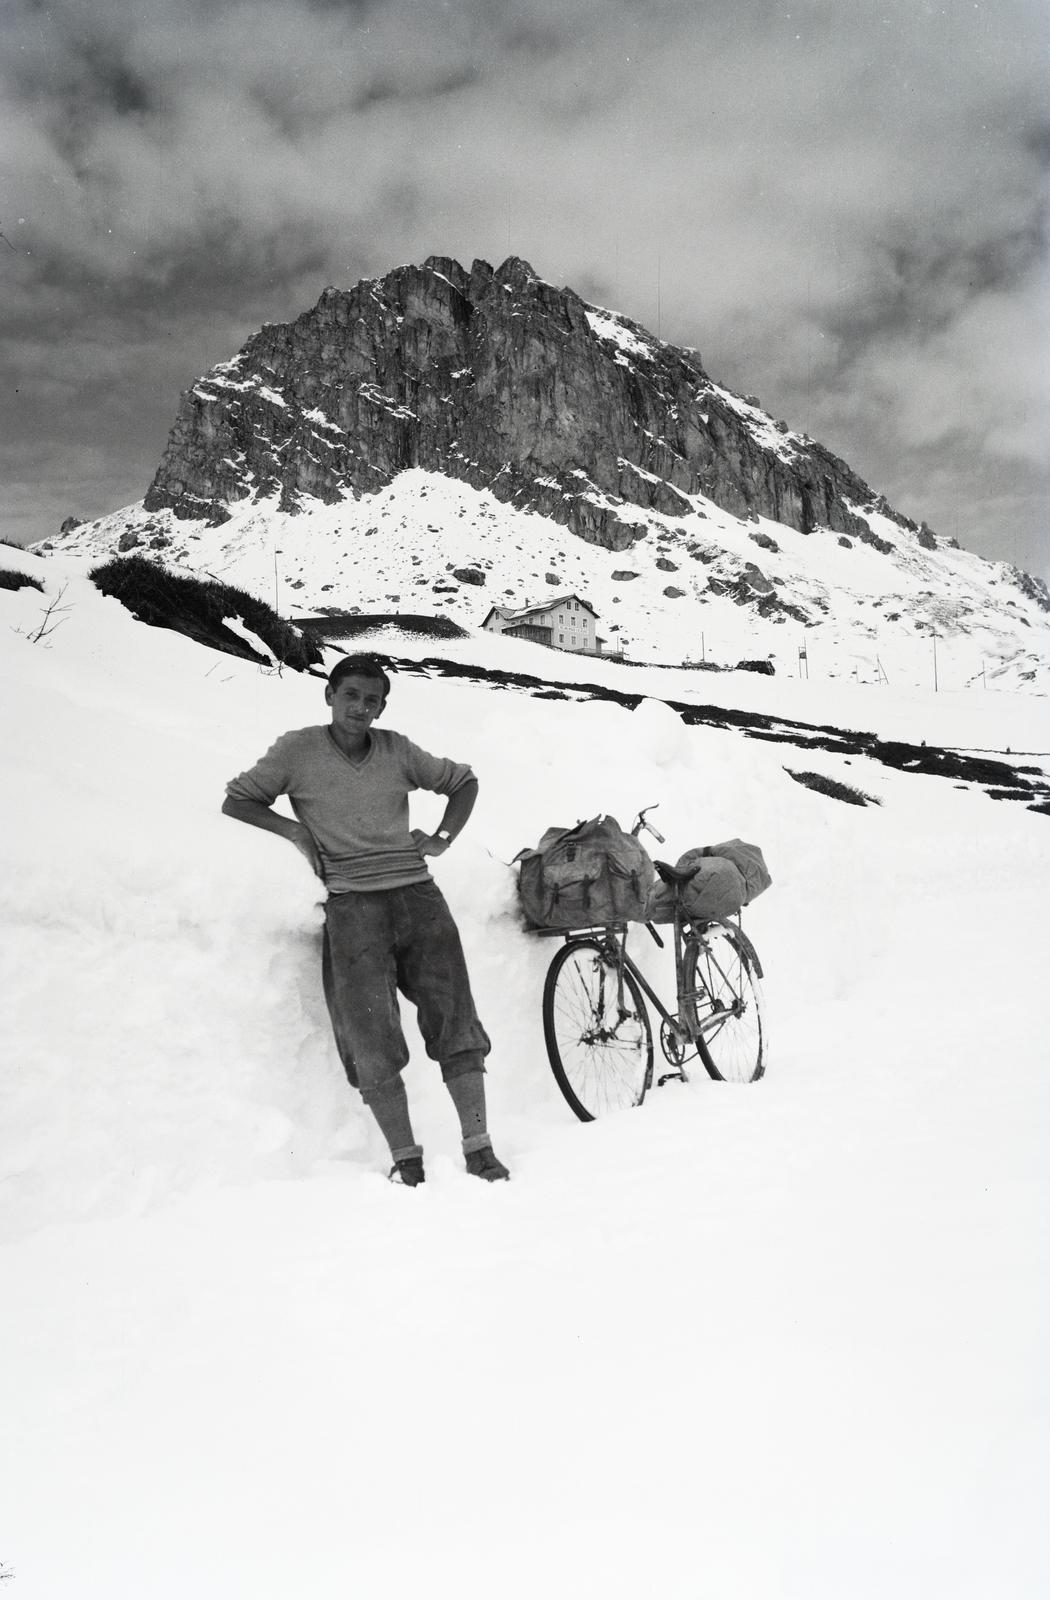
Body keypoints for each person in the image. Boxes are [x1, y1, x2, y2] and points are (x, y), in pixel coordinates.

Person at [222, 653, 508, 1186]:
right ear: (329, 695)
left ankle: (480, 1147)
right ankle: (407, 1158)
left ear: (382, 707)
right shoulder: (297, 750)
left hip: (419, 898)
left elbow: (463, 782)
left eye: (372, 699)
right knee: (368, 1031)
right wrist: (295, 832)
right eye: (351, 694)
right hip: (353, 907)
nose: (361, 707)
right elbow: (239, 800)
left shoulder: (397, 749)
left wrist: (441, 838)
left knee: (455, 1018)